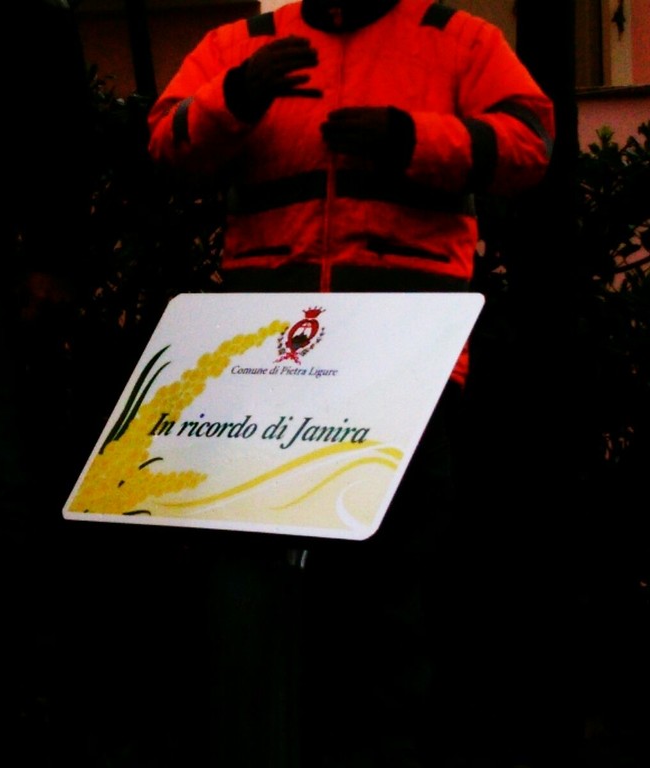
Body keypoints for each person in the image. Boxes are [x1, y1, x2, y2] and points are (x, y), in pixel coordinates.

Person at [145, 2, 554, 766]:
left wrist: (411, 138)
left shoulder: (459, 39)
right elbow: (163, 146)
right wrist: (235, 98)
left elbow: (531, 145)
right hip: (263, 367)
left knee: (389, 587)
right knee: (265, 584)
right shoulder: (243, 46)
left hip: (403, 363)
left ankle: (382, 750)